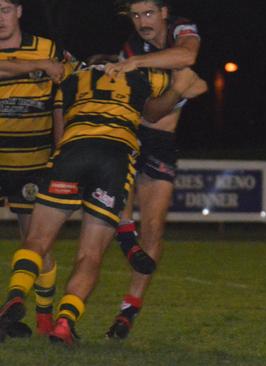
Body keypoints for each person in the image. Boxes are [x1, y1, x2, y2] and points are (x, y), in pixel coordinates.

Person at [0, 61, 202, 345]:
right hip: (114, 156)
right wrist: (179, 87)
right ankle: (65, 321)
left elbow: (59, 134)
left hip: (74, 149)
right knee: (90, 254)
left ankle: (16, 293)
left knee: (37, 238)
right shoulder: (138, 76)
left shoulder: (71, 80)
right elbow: (159, 110)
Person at [102, 0, 204, 339]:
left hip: (162, 143)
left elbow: (187, 56)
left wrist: (137, 64)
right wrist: (179, 87)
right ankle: (124, 232)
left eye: (148, 13)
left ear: (164, 12)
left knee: (155, 228)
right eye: (134, 15)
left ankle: (128, 309)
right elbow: (152, 112)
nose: (141, 21)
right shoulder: (131, 48)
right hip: (133, 132)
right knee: (119, 198)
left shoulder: (180, 30)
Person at [0, 0, 72, 336]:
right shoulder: (44, 56)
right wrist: (39, 65)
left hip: (32, 163)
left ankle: (44, 317)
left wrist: (60, 154)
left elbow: (59, 101)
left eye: (3, 9)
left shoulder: (47, 47)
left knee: (36, 243)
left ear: (19, 11)